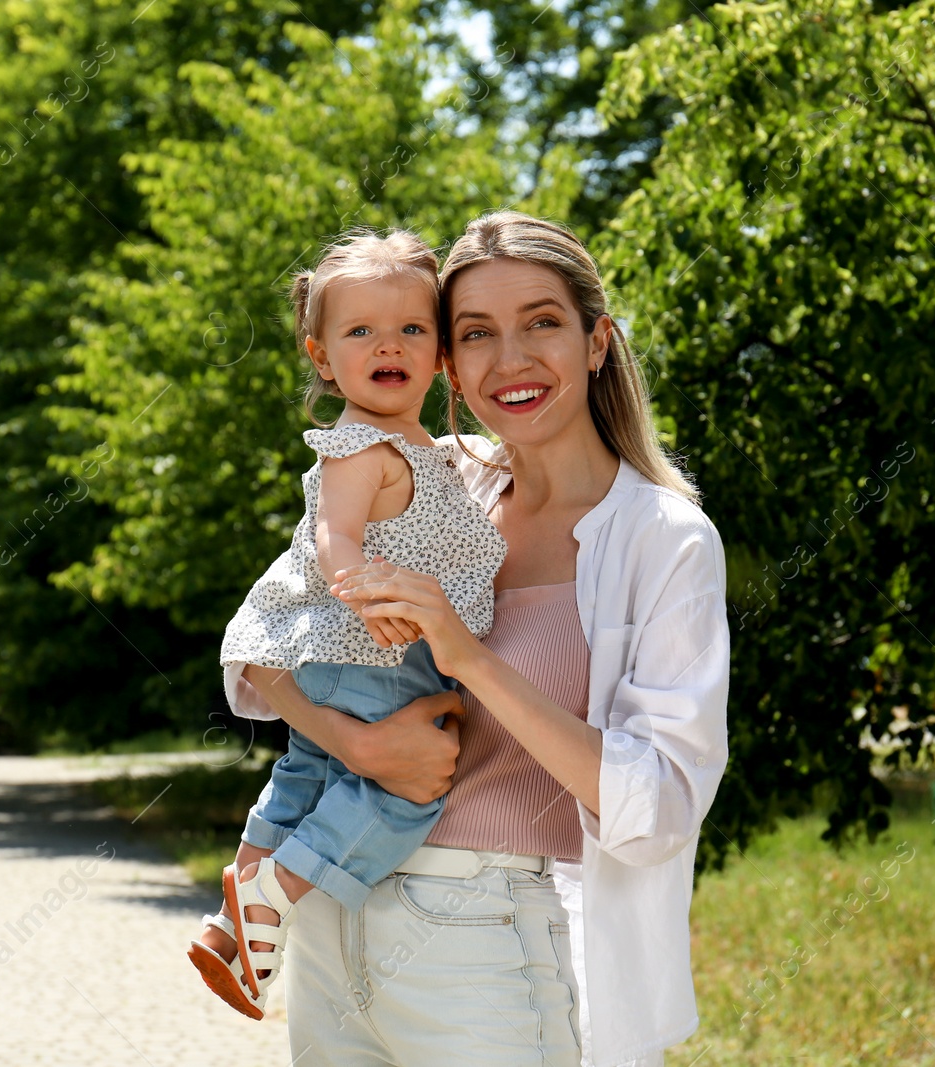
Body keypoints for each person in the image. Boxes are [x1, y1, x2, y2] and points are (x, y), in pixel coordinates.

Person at [224, 211, 731, 1067]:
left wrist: (468, 657)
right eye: (477, 334)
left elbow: (661, 807)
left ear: (597, 340)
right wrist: (356, 743)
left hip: (482, 928)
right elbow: (265, 639)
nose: (512, 359)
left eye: (542, 322)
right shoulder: (426, 479)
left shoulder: (663, 538)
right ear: (446, 362)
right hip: (336, 916)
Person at [187, 229, 508, 1020]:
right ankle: (275, 896)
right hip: (373, 651)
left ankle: (229, 920)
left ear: (439, 354)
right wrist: (359, 589)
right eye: (359, 330)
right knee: (397, 796)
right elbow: (337, 533)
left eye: (409, 329)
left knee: (305, 774)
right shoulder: (359, 446)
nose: (385, 345)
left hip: (338, 655)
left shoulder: (424, 447)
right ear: (322, 356)